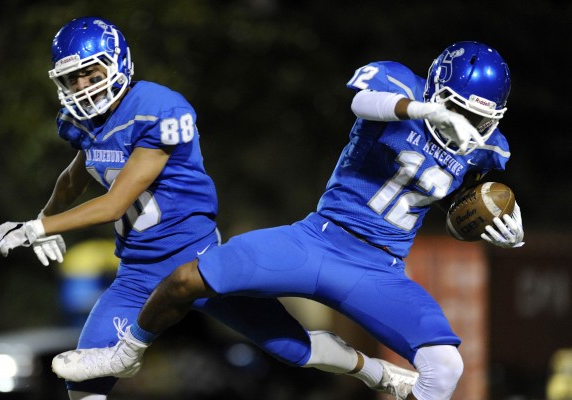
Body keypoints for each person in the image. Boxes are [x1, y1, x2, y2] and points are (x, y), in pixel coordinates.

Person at [49, 41, 526, 400]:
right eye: (458, 108)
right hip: (315, 240)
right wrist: (423, 110)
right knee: (185, 278)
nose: (467, 123)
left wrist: (499, 227)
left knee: (446, 366)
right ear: (436, 93)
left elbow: (454, 201)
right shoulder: (401, 87)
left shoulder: (488, 147)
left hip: (379, 266)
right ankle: (125, 353)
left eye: (480, 118)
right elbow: (363, 102)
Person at [0, 16, 420, 400]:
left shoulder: (157, 109)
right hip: (137, 272)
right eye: (72, 78)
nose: (81, 86)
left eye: (89, 72)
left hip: (198, 263)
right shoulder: (83, 124)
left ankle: (383, 374)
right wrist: (49, 216)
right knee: (83, 382)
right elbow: (76, 175)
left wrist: (37, 228)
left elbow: (116, 202)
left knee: (293, 348)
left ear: (116, 65)